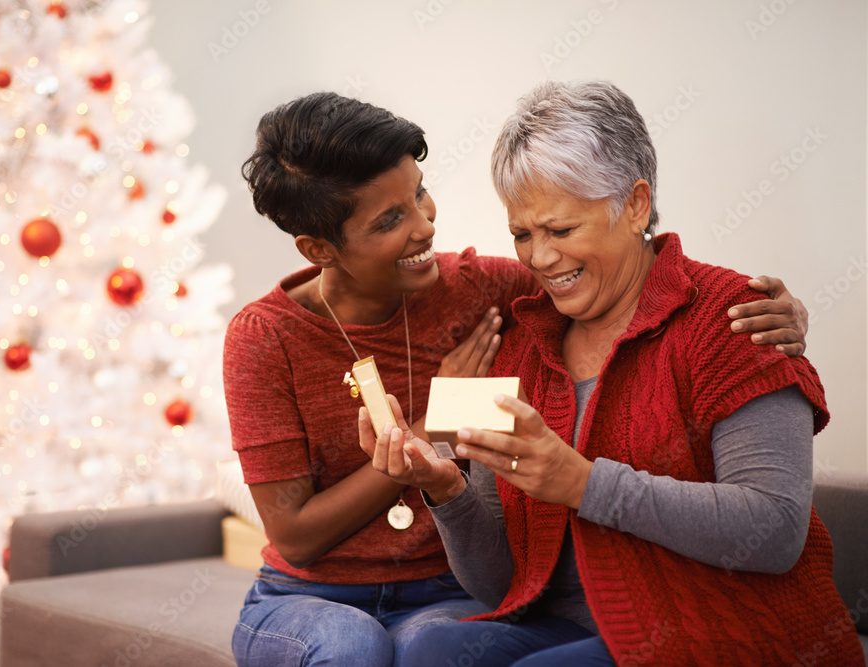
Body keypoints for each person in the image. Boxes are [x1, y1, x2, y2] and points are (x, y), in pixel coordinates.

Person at [224, 91, 812, 667]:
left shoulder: (496, 297)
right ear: (319, 249)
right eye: (523, 235)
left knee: (427, 646)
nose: (426, 226)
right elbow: (300, 536)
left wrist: (775, 311)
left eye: (421, 195)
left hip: (469, 593)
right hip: (323, 590)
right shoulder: (268, 337)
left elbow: (651, 284)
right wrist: (440, 461)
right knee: (372, 649)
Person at [360, 80, 862, 666]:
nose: (540, 258)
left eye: (561, 230)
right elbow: (500, 586)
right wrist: (446, 489)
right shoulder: (522, 346)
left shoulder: (738, 318)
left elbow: (775, 531)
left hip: (724, 630)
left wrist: (580, 482)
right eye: (522, 234)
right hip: (571, 628)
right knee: (432, 647)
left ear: (636, 205)